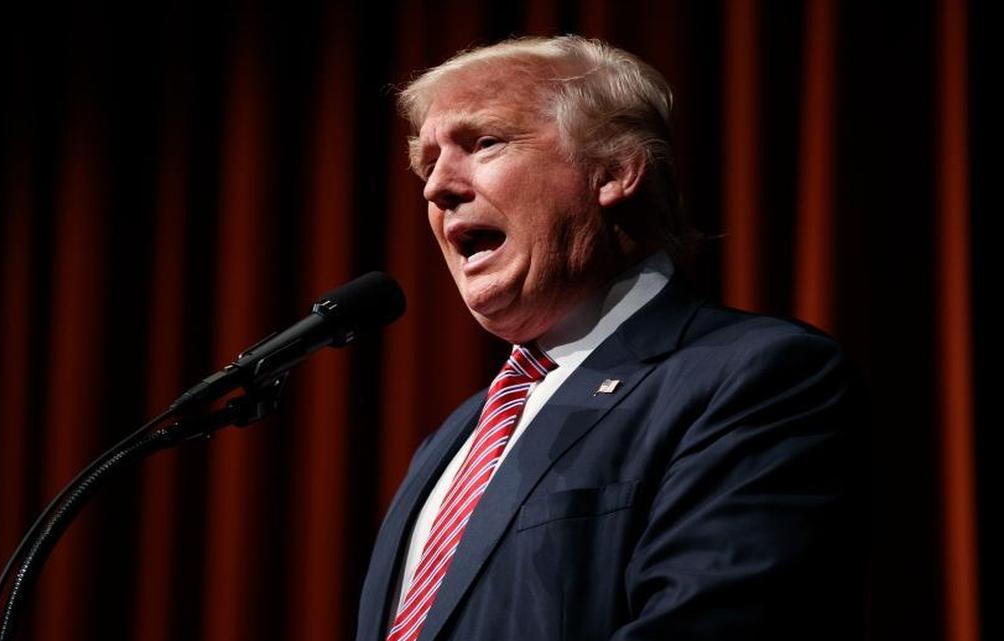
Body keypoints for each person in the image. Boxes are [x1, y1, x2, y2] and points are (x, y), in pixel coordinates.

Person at [357, 35, 866, 641]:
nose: (435, 188)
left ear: (615, 171)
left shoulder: (756, 376)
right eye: (428, 164)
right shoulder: (453, 439)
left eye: (484, 143)